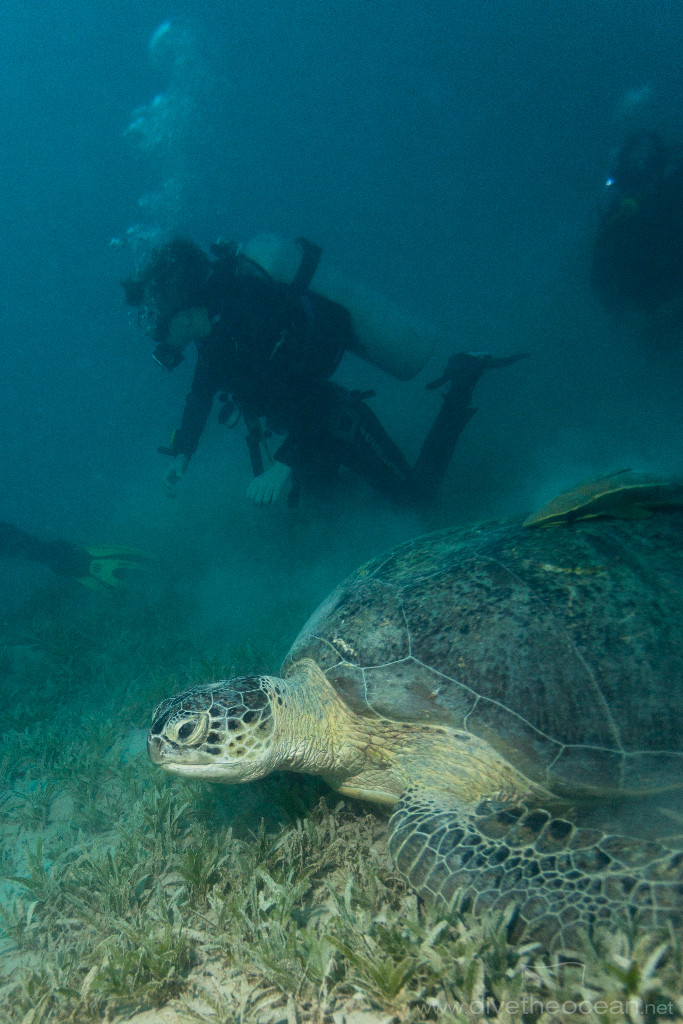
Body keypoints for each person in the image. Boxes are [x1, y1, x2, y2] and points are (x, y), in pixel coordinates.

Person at [124, 237, 524, 507]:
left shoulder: (255, 314)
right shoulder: (212, 338)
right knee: (329, 515)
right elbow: (200, 395)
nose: (155, 333)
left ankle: (464, 378)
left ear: (185, 311)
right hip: (301, 434)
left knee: (416, 500)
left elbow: (312, 392)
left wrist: (283, 466)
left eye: (157, 320)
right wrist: (183, 454)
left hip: (336, 421)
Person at [591, 131, 683, 342]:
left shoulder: (675, 195)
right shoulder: (616, 215)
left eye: (648, 170)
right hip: (649, 316)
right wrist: (629, 318)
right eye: (632, 177)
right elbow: (600, 277)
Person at [0, 521, 153, 593]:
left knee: (33, 548)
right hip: (67, 558)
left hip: (73, 560)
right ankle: (68, 559)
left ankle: (70, 559)